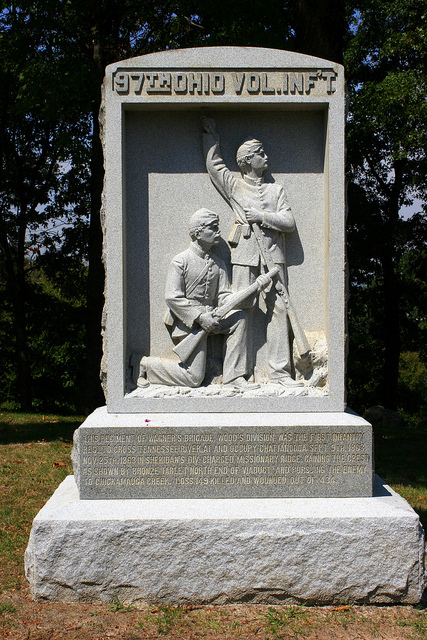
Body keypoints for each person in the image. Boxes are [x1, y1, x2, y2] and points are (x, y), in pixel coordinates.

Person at [202, 117, 305, 386]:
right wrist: (210, 136)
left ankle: (280, 372)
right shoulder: (235, 186)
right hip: (245, 252)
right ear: (247, 160)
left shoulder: (276, 190)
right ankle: (236, 374)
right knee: (241, 308)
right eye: (260, 153)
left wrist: (261, 215)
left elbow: (289, 222)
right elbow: (215, 167)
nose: (266, 157)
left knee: (279, 308)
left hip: (273, 255)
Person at [135, 208, 266, 390]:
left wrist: (251, 290)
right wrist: (199, 317)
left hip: (214, 316)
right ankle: (145, 366)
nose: (218, 232)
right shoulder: (181, 261)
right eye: (213, 228)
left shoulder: (218, 263)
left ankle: (234, 376)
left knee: (240, 318)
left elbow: (223, 296)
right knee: (193, 378)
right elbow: (172, 297)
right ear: (198, 232)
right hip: (190, 322)